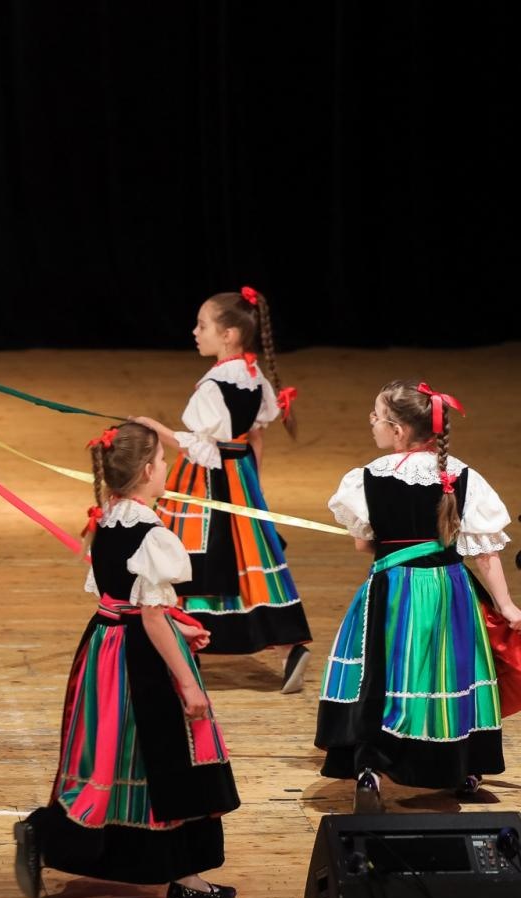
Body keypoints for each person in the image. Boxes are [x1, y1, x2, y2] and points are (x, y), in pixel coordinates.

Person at [15, 423, 240, 898]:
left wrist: (180, 628)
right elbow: (152, 617)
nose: (165, 468)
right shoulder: (151, 532)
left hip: (104, 649)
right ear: (145, 472)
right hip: (138, 658)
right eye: (161, 461)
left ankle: (176, 871)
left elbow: (121, 601)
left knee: (112, 757)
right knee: (169, 756)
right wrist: (189, 682)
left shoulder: (109, 518)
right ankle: (180, 873)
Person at [317, 380, 520, 811]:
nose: (370, 423)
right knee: (448, 671)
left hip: (393, 589)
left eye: (376, 417)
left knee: (384, 675)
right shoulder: (463, 476)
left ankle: (371, 765)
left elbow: (363, 544)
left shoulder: (369, 478)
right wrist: (505, 606)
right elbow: (485, 554)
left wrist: (396, 546)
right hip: (449, 590)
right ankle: (462, 765)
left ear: (397, 431)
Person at [133, 287, 312, 691]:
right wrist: (253, 489)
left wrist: (155, 429)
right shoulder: (253, 376)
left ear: (229, 334)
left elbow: (197, 445)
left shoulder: (214, 385)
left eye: (203, 325)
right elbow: (255, 439)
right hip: (241, 476)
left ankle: (183, 649)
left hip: (209, 479)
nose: (195, 332)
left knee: (195, 557)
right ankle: (288, 647)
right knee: (250, 561)